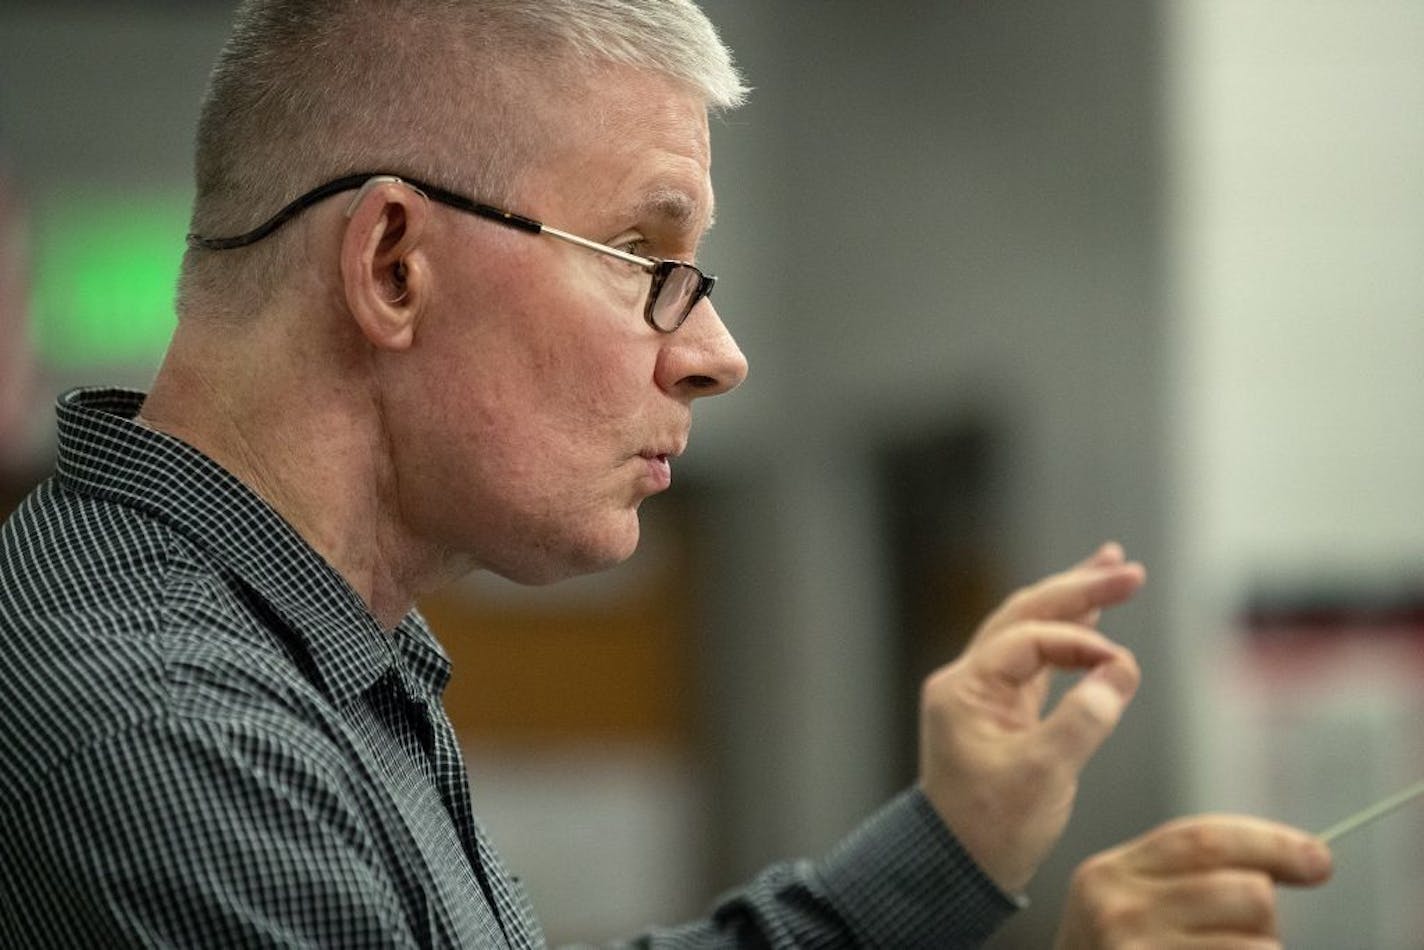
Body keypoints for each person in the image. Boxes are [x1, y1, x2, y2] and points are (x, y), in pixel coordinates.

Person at [0, 1, 1332, 946]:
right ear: (395, 265)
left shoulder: (284, 645)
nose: (716, 353)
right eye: (646, 253)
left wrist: (952, 846)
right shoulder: (167, 743)